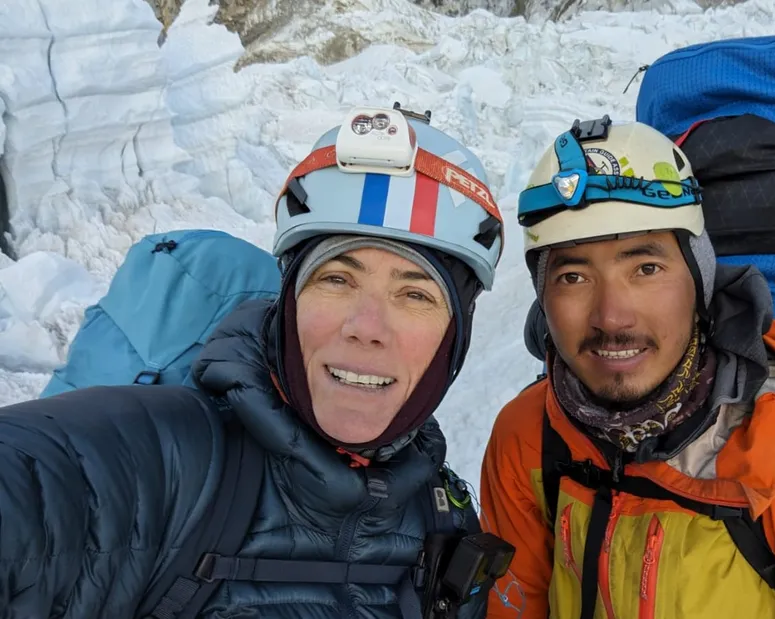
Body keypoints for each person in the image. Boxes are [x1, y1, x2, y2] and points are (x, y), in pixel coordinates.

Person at [0, 107, 506, 619]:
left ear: (454, 337)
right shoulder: (156, 462)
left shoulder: (444, 524)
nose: (366, 327)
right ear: (288, 303)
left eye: (415, 295)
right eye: (336, 279)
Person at [478, 118, 775, 618]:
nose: (611, 318)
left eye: (646, 268)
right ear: (543, 301)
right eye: (574, 277)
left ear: (699, 279)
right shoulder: (528, 437)